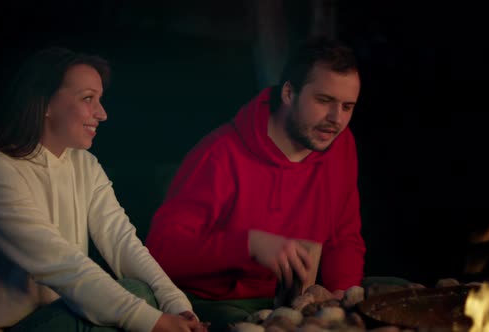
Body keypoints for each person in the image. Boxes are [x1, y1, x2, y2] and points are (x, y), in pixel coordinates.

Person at [0, 47, 204, 332]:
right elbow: (59, 263)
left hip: (62, 313)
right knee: (134, 305)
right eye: (88, 99)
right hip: (3, 327)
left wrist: (178, 307)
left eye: (100, 100)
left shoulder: (85, 165)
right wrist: (155, 322)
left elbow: (121, 241)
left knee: (139, 291)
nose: (102, 114)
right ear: (45, 103)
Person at [145, 37, 366, 330]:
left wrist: (342, 298)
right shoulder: (220, 154)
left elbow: (344, 238)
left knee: (393, 291)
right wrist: (249, 244)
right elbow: (160, 252)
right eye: (324, 101)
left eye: (347, 106)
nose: (336, 119)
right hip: (219, 303)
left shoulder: (339, 144)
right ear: (289, 93)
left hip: (299, 301)